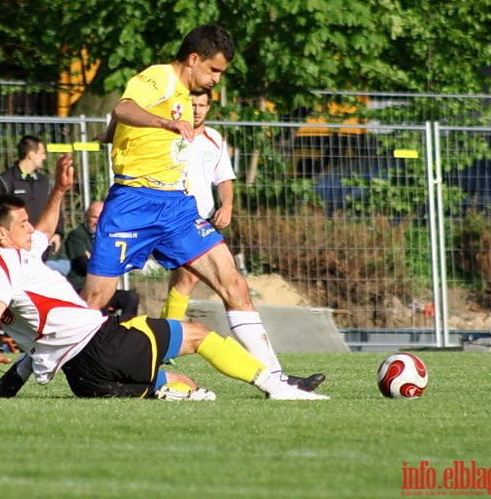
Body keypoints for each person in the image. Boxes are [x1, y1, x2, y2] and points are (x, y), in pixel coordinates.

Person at [82, 24, 325, 392]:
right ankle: (35, 361)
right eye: (214, 70)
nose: (215, 79)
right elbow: (125, 105)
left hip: (176, 206)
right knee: (94, 301)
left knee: (234, 285)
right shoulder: (160, 77)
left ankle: (278, 381)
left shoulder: (182, 90)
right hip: (133, 203)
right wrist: (162, 123)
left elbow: (123, 113)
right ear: (193, 59)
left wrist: (112, 131)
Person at [0, 154, 327, 401]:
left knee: (184, 382)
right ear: (1, 234)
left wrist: (60, 192)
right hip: (102, 344)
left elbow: (44, 231)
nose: (29, 226)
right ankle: (277, 384)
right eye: (21, 223)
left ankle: (171, 392)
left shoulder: (17, 254)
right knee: (201, 336)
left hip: (84, 375)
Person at [160, 89, 236, 320]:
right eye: (192, 104)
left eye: (202, 105)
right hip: (174, 216)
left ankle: (163, 332)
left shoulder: (215, 140)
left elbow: (223, 179)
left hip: (203, 218)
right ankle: (165, 336)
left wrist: (227, 206)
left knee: (183, 277)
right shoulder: (170, 136)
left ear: (208, 108)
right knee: (189, 276)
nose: (196, 110)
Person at [0, 134, 69, 275]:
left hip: (41, 245)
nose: (44, 157)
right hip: (16, 249)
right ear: (31, 155)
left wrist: (57, 232)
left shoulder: (43, 182)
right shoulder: (5, 181)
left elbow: (55, 206)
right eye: (42, 153)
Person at [64, 200, 139, 319]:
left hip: (103, 286)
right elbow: (85, 266)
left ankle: (125, 331)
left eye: (102, 217)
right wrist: (104, 261)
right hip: (82, 287)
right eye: (94, 217)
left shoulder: (109, 236)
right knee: (99, 299)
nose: (98, 221)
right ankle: (102, 334)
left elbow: (119, 262)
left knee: (131, 297)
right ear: (86, 217)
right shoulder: (77, 235)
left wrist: (95, 258)